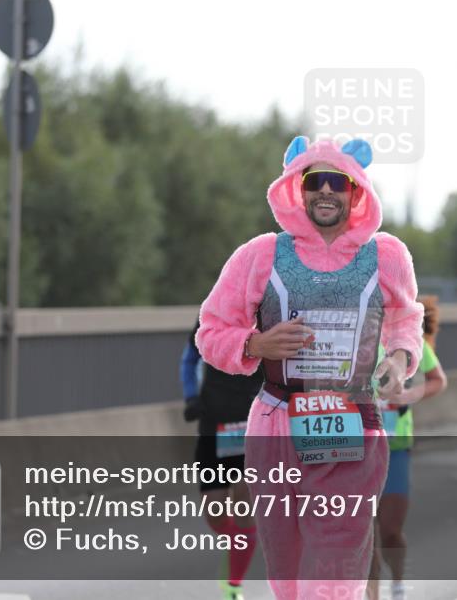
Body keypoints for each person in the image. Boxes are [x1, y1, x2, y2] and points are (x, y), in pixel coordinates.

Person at [196, 136, 424, 600]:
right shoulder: (260, 256)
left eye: (336, 181)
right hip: (276, 424)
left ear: (356, 191)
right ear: (296, 188)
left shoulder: (386, 256)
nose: (325, 191)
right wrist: (256, 342)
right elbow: (210, 332)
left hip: (353, 422)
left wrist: (399, 361)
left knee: (338, 567)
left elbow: (405, 321)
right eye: (313, 180)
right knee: (288, 568)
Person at [368, 296, 448, 600]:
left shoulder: (411, 343)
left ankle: (398, 582)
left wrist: (411, 394)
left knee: (390, 531)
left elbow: (438, 380)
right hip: (357, 448)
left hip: (396, 447)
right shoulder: (351, 341)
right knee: (365, 535)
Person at [180, 321, 263, 599]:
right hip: (213, 425)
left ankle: (233, 585)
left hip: (252, 425)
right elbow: (189, 359)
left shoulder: (268, 313)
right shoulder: (210, 314)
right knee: (214, 513)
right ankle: (240, 542)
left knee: (243, 501)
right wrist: (191, 397)